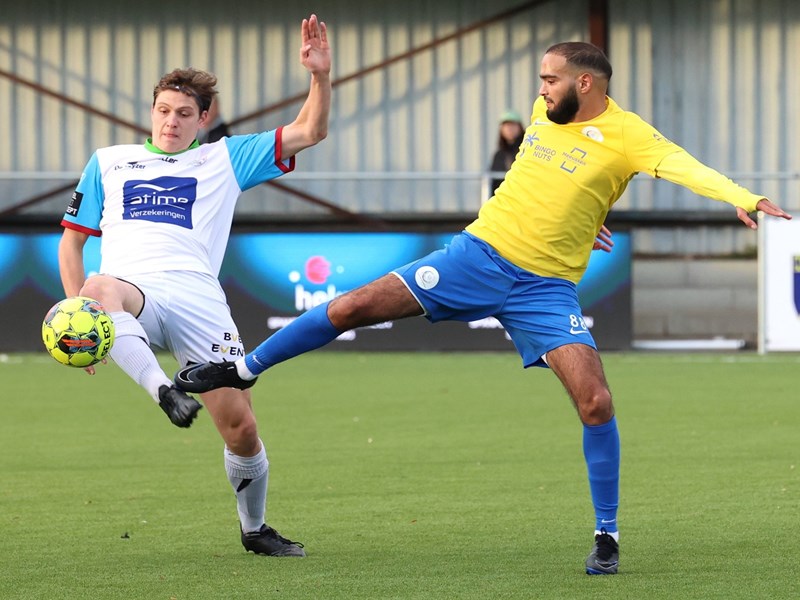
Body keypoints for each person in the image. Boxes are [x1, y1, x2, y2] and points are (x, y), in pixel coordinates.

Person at [174, 41, 791, 574]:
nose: (540, 91)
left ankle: (607, 535)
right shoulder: (545, 113)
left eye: (550, 79)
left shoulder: (630, 135)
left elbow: (684, 168)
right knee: (353, 306)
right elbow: (545, 177)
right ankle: (244, 368)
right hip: (477, 257)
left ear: (585, 83)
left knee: (596, 400)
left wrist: (745, 197)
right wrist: (586, 214)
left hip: (545, 289)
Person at [57, 14, 331, 557]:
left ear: (204, 119)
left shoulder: (223, 158)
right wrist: (76, 318)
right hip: (131, 287)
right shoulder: (109, 163)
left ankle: (254, 529)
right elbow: (71, 243)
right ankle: (163, 388)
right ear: (152, 112)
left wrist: (319, 77)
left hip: (199, 299)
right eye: (163, 111)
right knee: (97, 287)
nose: (171, 122)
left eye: (184, 114)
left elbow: (310, 131)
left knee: (241, 429)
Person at [489, 109, 525, 194]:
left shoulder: (526, 150)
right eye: (505, 125)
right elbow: (493, 182)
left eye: (512, 125)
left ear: (520, 127)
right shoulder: (498, 155)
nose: (509, 129)